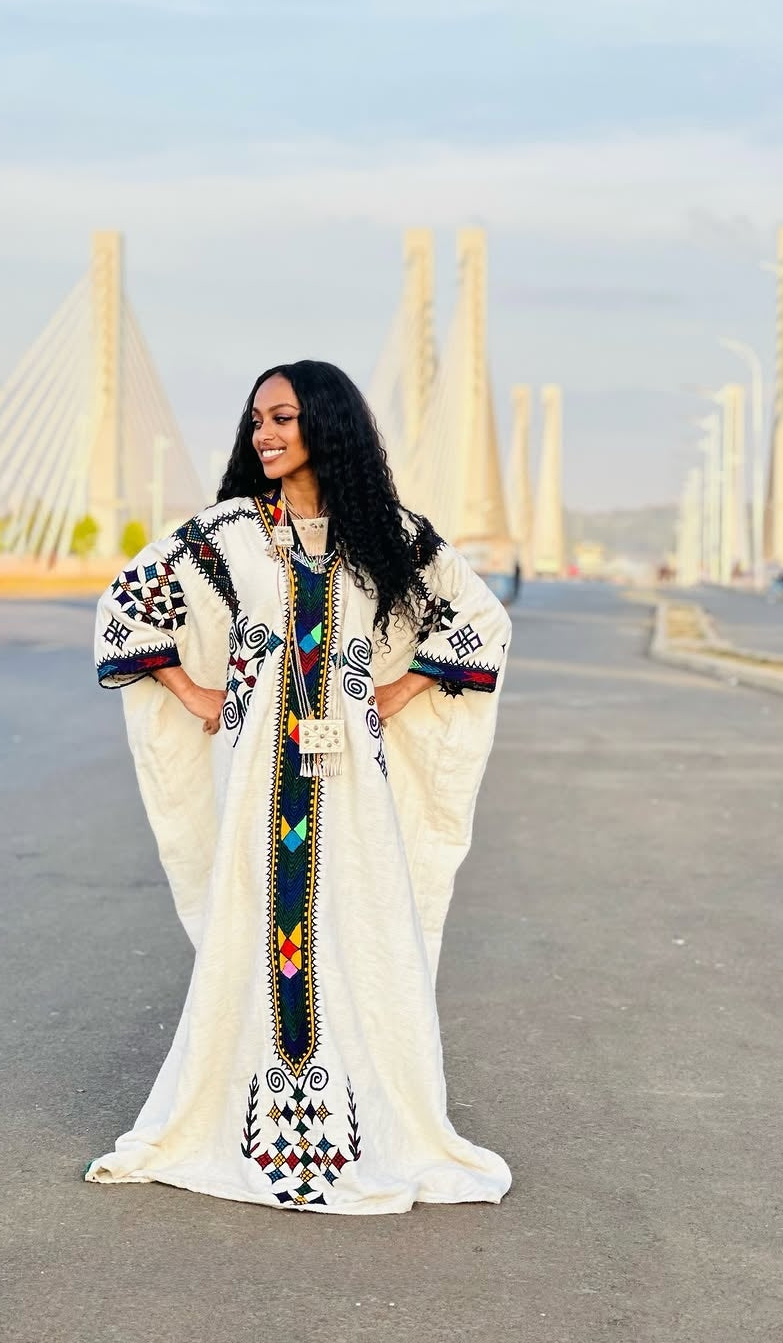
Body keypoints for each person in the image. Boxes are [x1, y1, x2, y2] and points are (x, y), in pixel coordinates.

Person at [85, 360, 512, 1213]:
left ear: (326, 422)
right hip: (254, 777)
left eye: (282, 418)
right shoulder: (229, 533)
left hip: (354, 783)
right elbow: (127, 604)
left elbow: (477, 616)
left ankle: (376, 1124)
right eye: (257, 422)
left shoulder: (389, 535)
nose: (265, 435)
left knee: (357, 923)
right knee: (255, 924)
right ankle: (232, 1120)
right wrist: (191, 691)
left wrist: (401, 688)